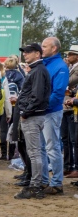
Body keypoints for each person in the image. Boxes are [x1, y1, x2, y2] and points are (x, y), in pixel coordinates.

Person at [15, 43, 52, 199]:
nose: (25, 54)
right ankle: (36, 183)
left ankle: (35, 186)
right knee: (35, 151)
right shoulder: (38, 69)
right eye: (24, 52)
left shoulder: (38, 70)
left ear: (37, 54)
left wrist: (25, 112)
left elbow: (37, 96)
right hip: (34, 114)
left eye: (28, 52)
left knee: (34, 152)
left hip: (33, 115)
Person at [39, 37, 69, 194]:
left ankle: (57, 182)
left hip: (51, 112)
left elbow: (58, 93)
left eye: (44, 46)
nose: (41, 48)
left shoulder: (60, 67)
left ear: (54, 48)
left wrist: (41, 107)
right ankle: (44, 180)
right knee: (42, 148)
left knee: (52, 147)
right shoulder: (47, 64)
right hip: (43, 111)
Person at [63, 47, 78, 179]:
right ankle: (68, 166)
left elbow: (67, 82)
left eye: (71, 54)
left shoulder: (76, 69)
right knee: (66, 139)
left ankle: (72, 167)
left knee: (73, 140)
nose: (68, 56)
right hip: (66, 106)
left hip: (72, 108)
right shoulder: (70, 68)